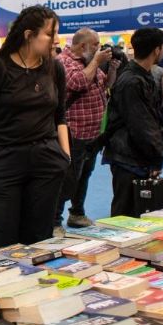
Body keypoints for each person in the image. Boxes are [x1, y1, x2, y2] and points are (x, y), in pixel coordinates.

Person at [0, 5, 70, 252]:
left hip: (46, 161)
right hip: (4, 161)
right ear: (28, 34)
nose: (56, 40)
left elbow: (60, 115)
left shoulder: (55, 68)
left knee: (40, 238)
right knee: (3, 240)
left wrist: (65, 156)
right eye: (50, 34)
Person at [54, 28, 119, 230]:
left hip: (93, 134)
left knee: (84, 176)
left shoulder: (88, 62)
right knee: (67, 178)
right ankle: (55, 220)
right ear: (83, 45)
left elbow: (104, 85)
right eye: (96, 44)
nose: (99, 48)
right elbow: (78, 82)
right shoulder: (64, 62)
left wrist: (113, 69)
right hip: (74, 133)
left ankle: (77, 213)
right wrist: (97, 61)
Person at [103, 28, 163, 217]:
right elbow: (142, 124)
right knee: (125, 214)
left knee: (138, 211)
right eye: (162, 48)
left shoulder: (142, 76)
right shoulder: (132, 80)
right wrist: (157, 157)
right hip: (128, 157)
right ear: (156, 50)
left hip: (135, 155)